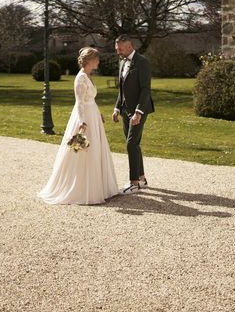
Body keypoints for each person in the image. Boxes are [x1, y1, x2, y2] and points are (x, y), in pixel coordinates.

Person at [39, 47, 119, 205]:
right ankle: (81, 189)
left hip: (92, 115)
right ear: (89, 60)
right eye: (96, 59)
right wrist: (82, 122)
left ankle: (100, 187)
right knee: (81, 151)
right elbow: (79, 102)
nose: (98, 61)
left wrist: (98, 113)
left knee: (95, 150)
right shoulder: (80, 78)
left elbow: (90, 99)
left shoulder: (89, 76)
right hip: (84, 118)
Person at [112, 34, 154, 194]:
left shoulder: (142, 62)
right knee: (134, 144)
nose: (118, 52)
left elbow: (145, 90)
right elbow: (122, 89)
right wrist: (117, 108)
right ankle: (142, 178)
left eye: (120, 49)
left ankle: (134, 183)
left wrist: (138, 112)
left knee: (131, 144)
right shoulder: (122, 61)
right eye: (117, 49)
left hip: (138, 110)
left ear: (129, 46)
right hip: (125, 111)